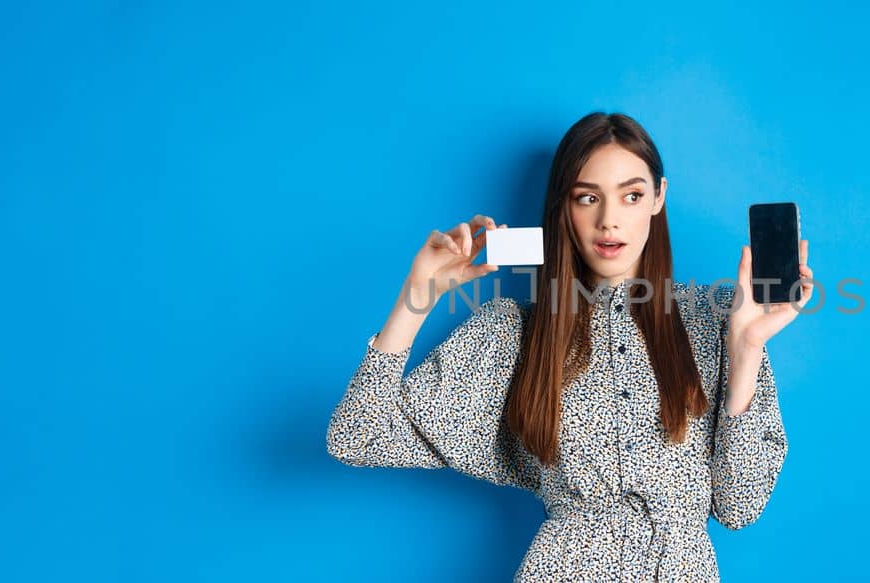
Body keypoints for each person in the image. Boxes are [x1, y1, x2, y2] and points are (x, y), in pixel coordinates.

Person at [326, 111, 814, 582]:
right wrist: (417, 298)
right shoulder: (516, 335)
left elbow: (740, 506)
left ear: (658, 198)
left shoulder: (719, 318)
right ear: (564, 205)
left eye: (631, 195)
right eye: (587, 198)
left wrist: (746, 349)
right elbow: (357, 437)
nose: (609, 221)